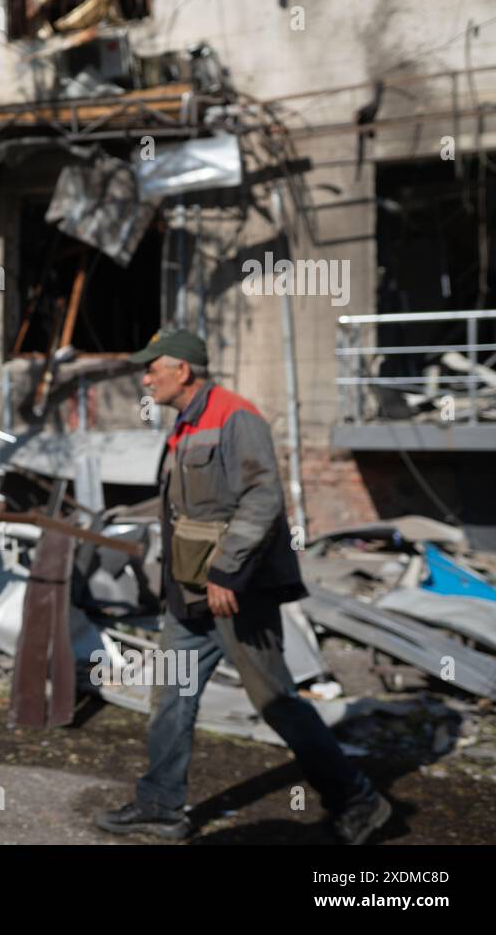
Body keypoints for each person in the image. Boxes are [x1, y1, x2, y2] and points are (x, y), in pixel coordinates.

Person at [93, 328, 392, 845]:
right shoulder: (185, 426)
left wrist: (226, 571)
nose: (145, 378)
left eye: (152, 368)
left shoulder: (236, 417)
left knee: (276, 702)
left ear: (182, 370)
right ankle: (161, 806)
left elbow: (262, 498)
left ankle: (359, 801)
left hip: (236, 591)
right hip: (190, 595)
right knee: (171, 695)